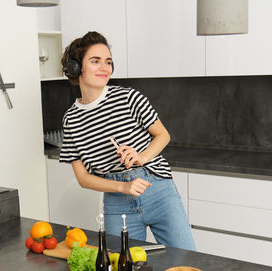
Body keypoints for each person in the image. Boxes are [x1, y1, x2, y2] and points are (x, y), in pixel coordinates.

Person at [58, 31, 195, 251]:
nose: (105, 67)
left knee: (185, 259)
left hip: (158, 189)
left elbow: (163, 135)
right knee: (121, 263)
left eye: (108, 62)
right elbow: (83, 178)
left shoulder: (129, 97)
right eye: (95, 61)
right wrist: (123, 186)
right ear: (76, 68)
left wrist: (142, 157)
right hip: (116, 200)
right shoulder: (71, 120)